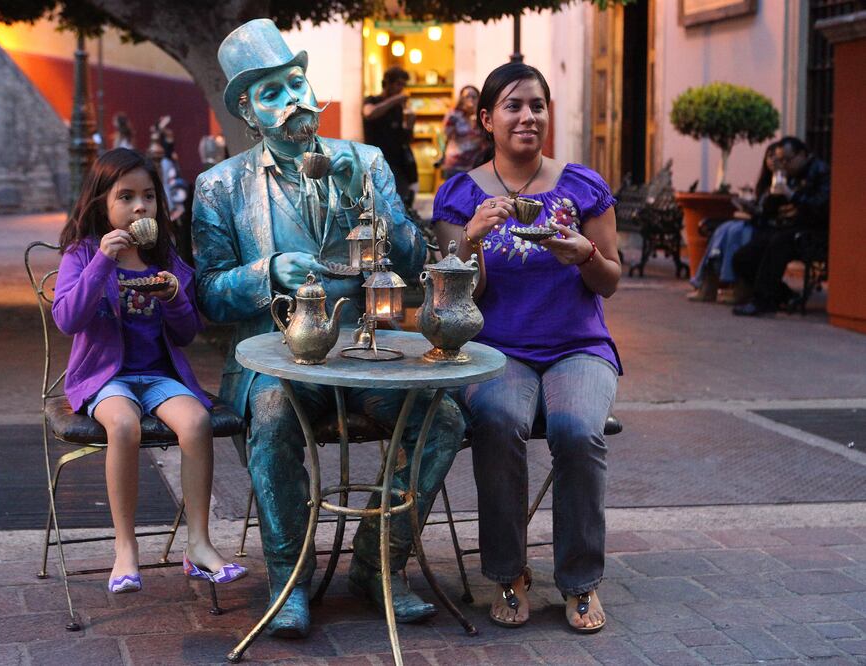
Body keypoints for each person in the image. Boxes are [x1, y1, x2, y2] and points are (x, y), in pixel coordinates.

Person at [192, 19, 464, 638]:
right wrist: (266, 272)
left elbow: (413, 263)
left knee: (444, 419)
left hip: (367, 356)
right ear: (248, 112)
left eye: (296, 82)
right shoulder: (220, 186)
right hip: (276, 362)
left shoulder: (366, 162)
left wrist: (362, 196)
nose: (292, 100)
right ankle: (289, 578)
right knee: (271, 417)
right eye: (271, 92)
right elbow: (208, 294)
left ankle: (378, 562)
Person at [432, 62, 622, 633]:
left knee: (577, 431)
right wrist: (471, 239)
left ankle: (581, 580)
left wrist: (586, 254)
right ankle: (507, 573)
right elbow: (460, 294)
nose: (528, 117)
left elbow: (610, 281)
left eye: (537, 105)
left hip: (578, 346)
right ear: (487, 119)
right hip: (497, 350)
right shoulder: (460, 194)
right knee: (497, 422)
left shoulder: (582, 186)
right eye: (513, 106)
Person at [52, 148, 246, 594]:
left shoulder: (165, 259)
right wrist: (102, 262)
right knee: (123, 425)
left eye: (149, 196)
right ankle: (125, 547)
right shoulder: (83, 254)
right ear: (101, 202)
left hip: (159, 377)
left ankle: (199, 543)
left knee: (196, 422)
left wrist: (175, 297)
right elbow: (67, 319)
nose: (140, 207)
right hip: (105, 378)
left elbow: (186, 334)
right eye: (126, 197)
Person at [732, 136, 830, 316]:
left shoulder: (820, 171)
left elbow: (820, 206)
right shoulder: (787, 175)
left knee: (779, 242)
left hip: (812, 231)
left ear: (802, 154)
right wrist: (771, 190)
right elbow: (771, 210)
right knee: (743, 257)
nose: (784, 165)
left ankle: (762, 302)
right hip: (788, 228)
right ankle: (785, 296)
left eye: (787, 160)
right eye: (780, 161)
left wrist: (792, 195)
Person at [688, 141, 780, 303]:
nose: (772, 160)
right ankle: (707, 285)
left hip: (766, 227)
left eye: (776, 157)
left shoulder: (784, 183)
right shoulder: (765, 183)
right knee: (723, 229)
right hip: (755, 221)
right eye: (769, 156)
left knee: (737, 232)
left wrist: (756, 212)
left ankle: (739, 286)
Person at [363, 66, 419, 208]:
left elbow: (405, 139)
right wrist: (395, 100)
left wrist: (410, 126)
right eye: (398, 84)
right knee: (378, 205)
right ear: (387, 83)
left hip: (397, 164)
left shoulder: (399, 109)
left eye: (403, 85)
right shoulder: (372, 100)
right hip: (376, 162)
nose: (401, 89)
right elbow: (369, 113)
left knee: (398, 205)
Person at [440, 85, 487, 180]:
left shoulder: (482, 116)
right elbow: (445, 133)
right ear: (461, 99)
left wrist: (478, 121)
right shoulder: (454, 115)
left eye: (474, 97)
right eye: (467, 96)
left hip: (475, 164)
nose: (470, 99)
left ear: (479, 99)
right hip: (455, 163)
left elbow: (488, 137)